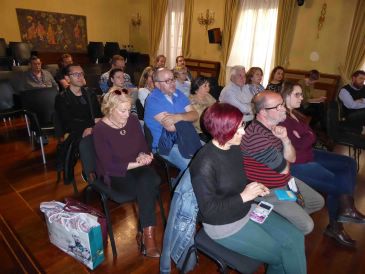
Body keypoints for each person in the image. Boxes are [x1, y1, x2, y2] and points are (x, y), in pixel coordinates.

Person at [190, 103, 307, 274]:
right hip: (224, 225)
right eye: (237, 129)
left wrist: (255, 187)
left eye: (242, 125)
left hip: (246, 208)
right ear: (223, 130)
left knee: (295, 236)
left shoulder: (234, 146)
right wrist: (244, 196)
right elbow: (209, 211)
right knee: (282, 254)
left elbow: (237, 178)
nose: (243, 132)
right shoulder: (204, 164)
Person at [280, 81, 365, 248]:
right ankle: (336, 225)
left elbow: (308, 136)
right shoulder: (282, 116)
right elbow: (301, 142)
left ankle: (345, 210)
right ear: (286, 96)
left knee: (348, 163)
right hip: (297, 163)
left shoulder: (294, 113)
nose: (302, 97)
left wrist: (305, 136)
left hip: (309, 154)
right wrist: (306, 136)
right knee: (337, 184)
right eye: (297, 94)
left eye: (301, 94)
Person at [241, 91, 324, 235]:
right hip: (267, 189)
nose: (284, 109)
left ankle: (286, 218)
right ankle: (278, 228)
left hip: (284, 181)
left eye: (282, 104)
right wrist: (286, 153)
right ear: (263, 112)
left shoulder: (275, 128)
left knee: (318, 202)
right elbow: (284, 169)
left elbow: (292, 159)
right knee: (307, 226)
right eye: (277, 107)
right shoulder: (256, 137)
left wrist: (285, 139)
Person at [93, 89, 161, 258]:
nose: (127, 114)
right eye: (122, 110)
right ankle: (147, 237)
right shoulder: (100, 129)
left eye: (129, 109)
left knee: (148, 180)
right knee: (148, 183)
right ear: (109, 109)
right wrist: (136, 163)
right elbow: (108, 165)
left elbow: (142, 146)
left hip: (136, 168)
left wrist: (143, 155)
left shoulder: (132, 121)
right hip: (116, 174)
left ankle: (147, 234)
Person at [144, 68, 199, 177]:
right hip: (166, 145)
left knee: (208, 159)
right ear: (157, 84)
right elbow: (171, 127)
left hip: (186, 137)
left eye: (173, 79)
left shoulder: (178, 94)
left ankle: (179, 184)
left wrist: (178, 116)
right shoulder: (152, 100)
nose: (172, 83)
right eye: (167, 81)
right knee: (195, 168)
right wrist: (186, 117)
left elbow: (195, 115)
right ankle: (180, 192)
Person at [55, 64, 102, 139]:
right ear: (67, 78)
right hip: (74, 133)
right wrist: (92, 122)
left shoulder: (90, 93)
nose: (80, 77)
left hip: (93, 130)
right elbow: (68, 124)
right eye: (76, 74)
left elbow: (98, 115)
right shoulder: (62, 98)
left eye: (81, 74)